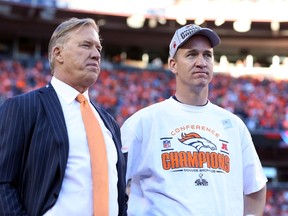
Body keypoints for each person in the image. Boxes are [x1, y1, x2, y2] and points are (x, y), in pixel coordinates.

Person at [121, 24, 267, 215]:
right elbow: (111, 181)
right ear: (173, 64)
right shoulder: (143, 122)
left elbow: (255, 187)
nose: (201, 62)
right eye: (191, 54)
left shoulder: (233, 125)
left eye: (207, 55)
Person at [0, 17, 127, 216]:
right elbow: (3, 182)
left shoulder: (109, 123)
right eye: (86, 45)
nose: (95, 55)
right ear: (58, 53)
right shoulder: (23, 108)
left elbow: (120, 197)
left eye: (98, 49)